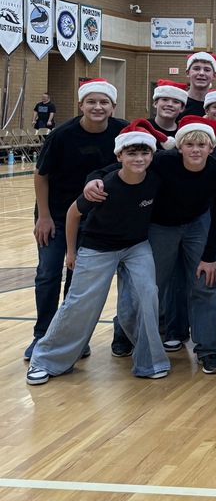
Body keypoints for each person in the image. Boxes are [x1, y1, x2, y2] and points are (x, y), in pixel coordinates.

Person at [26, 120, 171, 385]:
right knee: (81, 302)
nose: (139, 158)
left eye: (144, 153)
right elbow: (72, 214)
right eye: (131, 153)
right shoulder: (103, 186)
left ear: (152, 154)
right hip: (98, 247)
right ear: (119, 156)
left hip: (136, 246)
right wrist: (71, 252)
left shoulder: (155, 180)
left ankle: (150, 360)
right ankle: (45, 359)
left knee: (147, 294)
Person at [93, 115, 216, 373]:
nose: (196, 150)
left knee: (206, 283)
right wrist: (94, 177)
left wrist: (210, 256)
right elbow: (118, 171)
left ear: (212, 147)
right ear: (179, 147)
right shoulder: (162, 163)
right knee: (149, 286)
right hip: (161, 226)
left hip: (197, 223)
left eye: (202, 145)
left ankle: (209, 349)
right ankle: (124, 329)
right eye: (190, 145)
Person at [26, 78, 127, 360]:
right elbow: (41, 174)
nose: (97, 107)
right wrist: (43, 216)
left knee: (77, 280)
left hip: (94, 221)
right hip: (56, 216)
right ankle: (42, 334)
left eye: (103, 102)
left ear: (113, 106)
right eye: (91, 102)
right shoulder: (62, 135)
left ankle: (71, 336)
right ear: (81, 104)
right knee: (48, 273)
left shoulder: (121, 131)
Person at [182, 51, 216, 117]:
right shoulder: (179, 102)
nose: (201, 73)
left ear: (214, 75)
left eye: (207, 70)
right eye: (196, 69)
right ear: (187, 73)